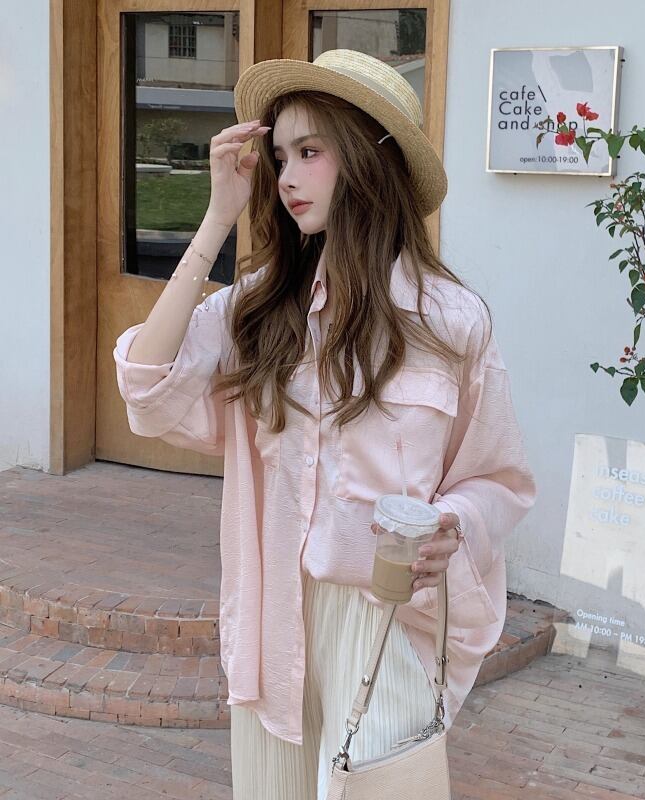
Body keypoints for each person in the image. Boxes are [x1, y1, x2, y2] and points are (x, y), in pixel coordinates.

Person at [113, 48, 536, 799]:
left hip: (385, 621)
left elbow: (497, 478)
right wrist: (217, 217)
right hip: (276, 614)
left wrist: (455, 523)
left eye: (310, 152)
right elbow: (146, 387)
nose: (287, 177)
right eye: (280, 157)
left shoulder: (449, 320)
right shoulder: (262, 308)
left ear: (370, 160)